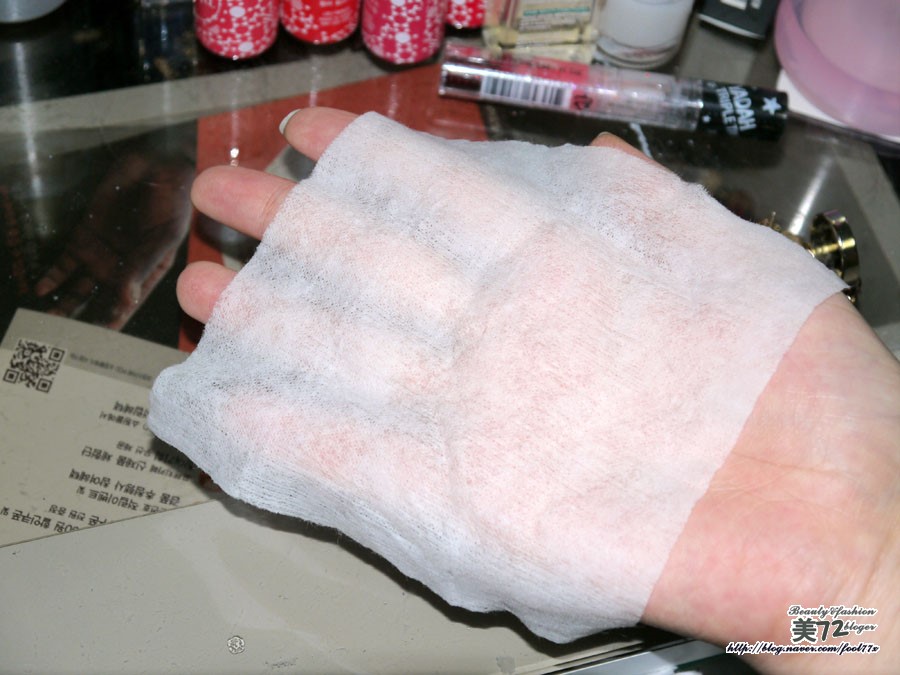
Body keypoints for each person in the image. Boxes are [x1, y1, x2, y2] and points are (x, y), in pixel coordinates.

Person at [178, 107, 899, 674]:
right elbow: (864, 628)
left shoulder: (851, 615)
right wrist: (865, 593)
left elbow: (860, 625)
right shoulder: (857, 619)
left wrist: (864, 588)